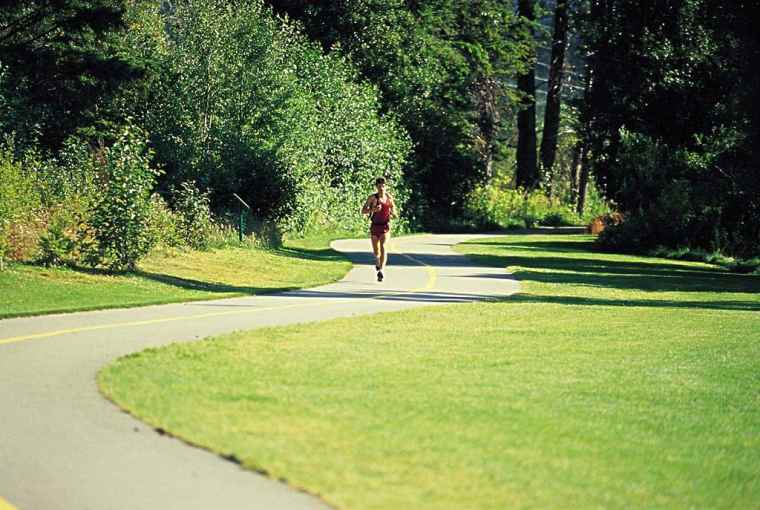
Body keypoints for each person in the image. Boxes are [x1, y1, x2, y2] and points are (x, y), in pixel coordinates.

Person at [361, 177, 396, 282]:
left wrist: (393, 213)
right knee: (376, 251)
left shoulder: (389, 198)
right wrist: (373, 209)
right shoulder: (372, 198)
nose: (381, 187)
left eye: (383, 185)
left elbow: (394, 209)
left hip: (385, 226)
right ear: (376, 186)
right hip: (375, 226)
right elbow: (363, 211)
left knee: (383, 246)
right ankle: (377, 262)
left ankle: (381, 270)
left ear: (386, 186)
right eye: (379, 185)